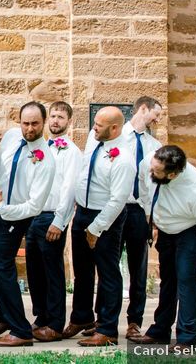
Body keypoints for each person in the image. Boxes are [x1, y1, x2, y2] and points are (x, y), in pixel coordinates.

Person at [86, 96, 163, 338]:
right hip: (114, 208)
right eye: (156, 114)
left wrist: (153, 219)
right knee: (108, 265)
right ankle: (103, 319)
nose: (158, 119)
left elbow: (152, 186)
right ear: (143, 108)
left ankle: (134, 321)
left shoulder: (154, 145)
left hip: (138, 210)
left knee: (138, 266)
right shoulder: (115, 137)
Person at [130, 145, 196, 350]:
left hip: (189, 233)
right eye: (152, 167)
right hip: (165, 232)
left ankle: (186, 338)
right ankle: (160, 331)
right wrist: (150, 216)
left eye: (156, 172)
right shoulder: (151, 162)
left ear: (172, 174)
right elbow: (144, 187)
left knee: (187, 282)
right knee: (167, 282)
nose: (150, 172)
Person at [0, 102, 55, 348]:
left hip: (15, 216)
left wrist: (2, 208)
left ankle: (21, 330)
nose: (30, 128)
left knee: (2, 266)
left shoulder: (46, 160)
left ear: (43, 123)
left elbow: (34, 207)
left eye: (35, 123)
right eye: (25, 123)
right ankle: (4, 317)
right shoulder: (12, 137)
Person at [64, 106, 135, 347]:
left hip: (105, 217)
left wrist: (97, 228)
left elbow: (118, 200)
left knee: (108, 273)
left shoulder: (124, 158)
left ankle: (107, 329)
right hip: (82, 212)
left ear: (114, 128)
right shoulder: (95, 141)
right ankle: (82, 318)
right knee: (82, 270)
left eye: (99, 124)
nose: (94, 127)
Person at [27, 101, 81, 342]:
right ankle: (41, 317)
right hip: (32, 216)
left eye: (61, 117)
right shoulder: (39, 147)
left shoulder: (72, 152)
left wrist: (60, 221)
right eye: (53, 117)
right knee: (35, 271)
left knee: (53, 272)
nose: (56, 121)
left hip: (52, 217)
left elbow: (70, 189)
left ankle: (56, 323)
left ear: (69, 121)